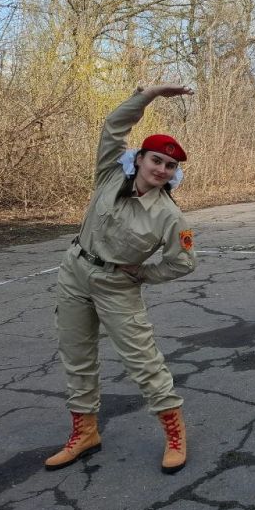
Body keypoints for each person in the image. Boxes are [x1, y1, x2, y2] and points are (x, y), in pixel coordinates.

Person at [45, 84, 198, 475]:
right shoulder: (110, 173)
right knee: (77, 356)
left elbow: (183, 263)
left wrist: (145, 273)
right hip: (75, 270)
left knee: (143, 362)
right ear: (140, 158)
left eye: (170, 166)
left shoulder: (168, 216)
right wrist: (148, 96)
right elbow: (113, 126)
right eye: (156, 160)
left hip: (117, 284)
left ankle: (175, 434)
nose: (161, 170)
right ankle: (85, 432)